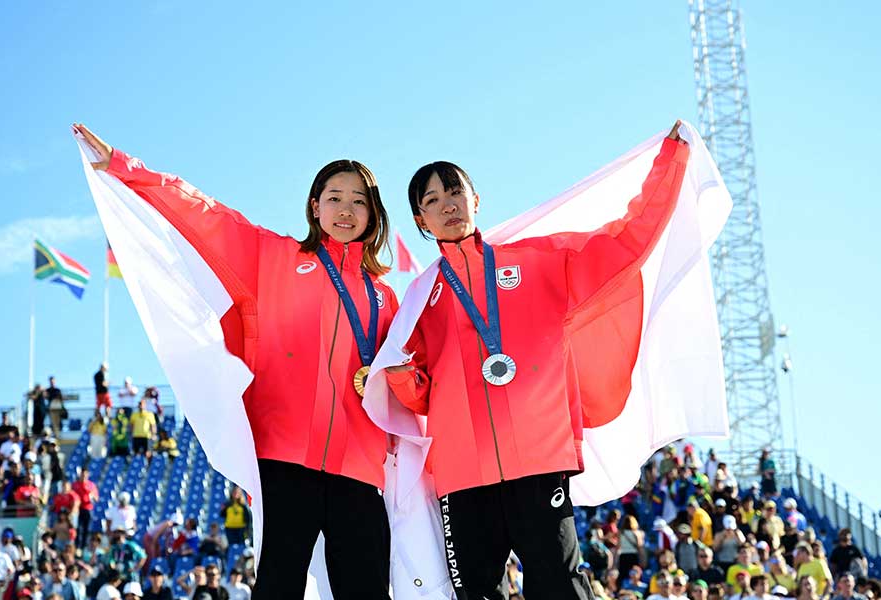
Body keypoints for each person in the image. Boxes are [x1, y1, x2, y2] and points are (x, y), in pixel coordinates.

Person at [76, 123, 398, 600]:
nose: (346, 209)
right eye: (334, 197)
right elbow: (204, 214)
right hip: (287, 458)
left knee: (368, 589)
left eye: (359, 200)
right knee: (278, 585)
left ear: (374, 213)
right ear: (315, 206)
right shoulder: (274, 258)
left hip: (361, 467)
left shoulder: (384, 296)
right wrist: (128, 169)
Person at [386, 121, 689, 599]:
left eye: (454, 192)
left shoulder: (536, 261)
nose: (446, 205)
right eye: (430, 201)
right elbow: (420, 393)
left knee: (561, 588)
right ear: (421, 221)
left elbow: (626, 244)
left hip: (538, 462)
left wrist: (670, 162)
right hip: (463, 478)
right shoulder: (422, 298)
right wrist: (402, 380)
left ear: (475, 199)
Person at [71, 467, 98, 550]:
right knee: (78, 528)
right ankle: (77, 546)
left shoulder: (91, 485)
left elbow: (96, 498)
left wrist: (92, 496)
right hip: (78, 509)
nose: (83, 476)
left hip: (88, 509)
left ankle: (84, 547)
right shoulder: (75, 485)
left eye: (85, 475)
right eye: (82, 475)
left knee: (86, 529)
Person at [618, 516, 646, 582]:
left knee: (623, 575)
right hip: (633, 556)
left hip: (623, 556)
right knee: (635, 574)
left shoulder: (621, 533)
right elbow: (640, 547)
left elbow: (618, 546)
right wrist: (643, 559)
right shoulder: (636, 533)